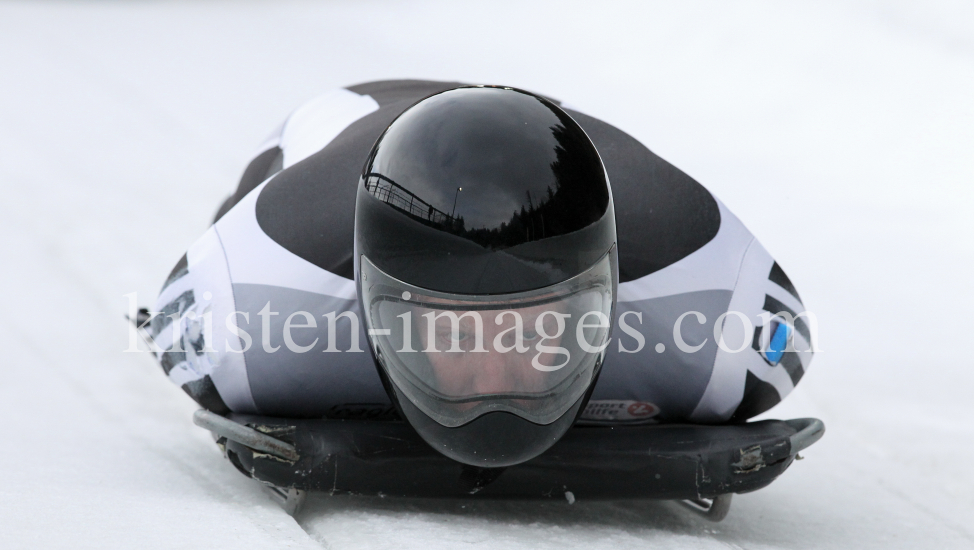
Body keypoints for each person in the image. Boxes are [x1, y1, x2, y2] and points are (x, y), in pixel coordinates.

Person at [140, 79, 813, 468]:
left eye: (537, 332)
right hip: (347, 119)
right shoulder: (248, 311)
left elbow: (783, 339)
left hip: (585, 143)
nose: (497, 384)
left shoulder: (733, 324)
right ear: (376, 309)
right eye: (459, 338)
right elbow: (179, 321)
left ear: (604, 299)